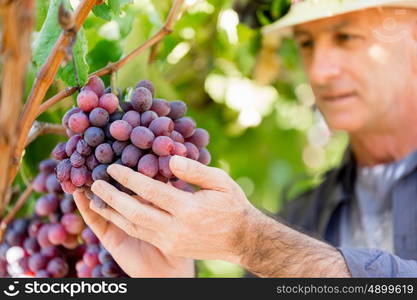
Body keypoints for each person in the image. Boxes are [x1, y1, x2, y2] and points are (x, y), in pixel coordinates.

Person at [74, 0, 417, 277]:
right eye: (306, 43)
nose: (319, 71)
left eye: (347, 38)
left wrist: (249, 242)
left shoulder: (275, 242)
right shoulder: (301, 219)